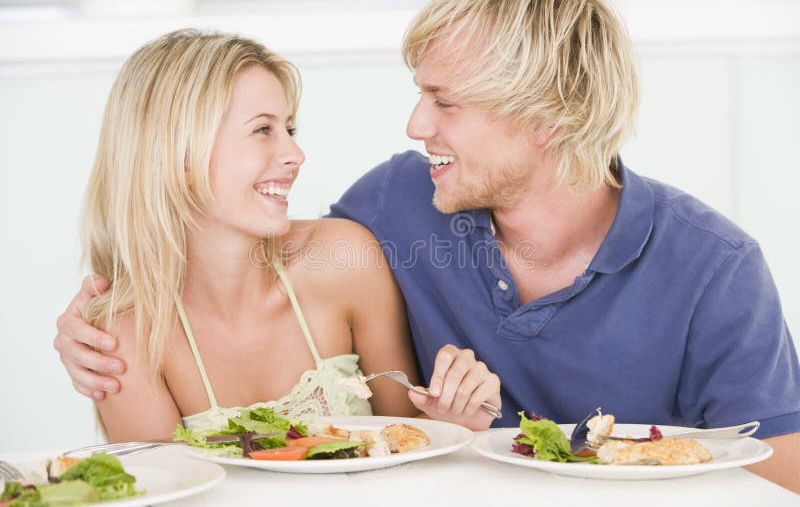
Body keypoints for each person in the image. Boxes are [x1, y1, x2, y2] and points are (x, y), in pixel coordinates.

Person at [55, 0, 799, 491]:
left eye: (445, 102)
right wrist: (92, 324)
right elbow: (241, 261)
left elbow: (788, 472)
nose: (416, 126)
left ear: (547, 120)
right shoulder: (396, 202)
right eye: (421, 95)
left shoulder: (713, 268)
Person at [65, 29, 500, 442]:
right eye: (262, 130)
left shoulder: (343, 260)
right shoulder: (121, 335)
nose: (294, 154)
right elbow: (167, 490)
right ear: (177, 154)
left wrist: (454, 417)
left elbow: (408, 441)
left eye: (289, 130)